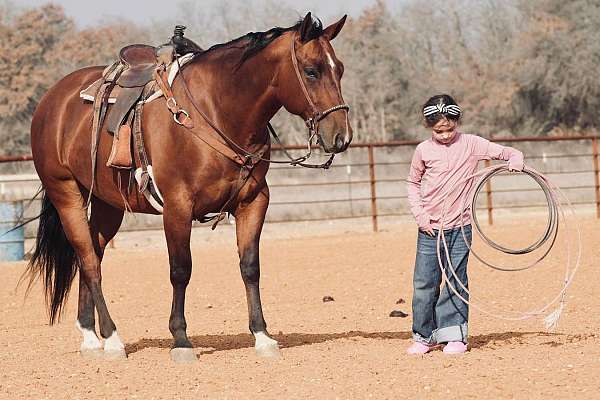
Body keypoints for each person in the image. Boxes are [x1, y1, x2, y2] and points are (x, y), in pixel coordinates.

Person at [405, 94, 524, 354]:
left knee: (456, 280)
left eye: (449, 129)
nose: (445, 135)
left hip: (460, 226)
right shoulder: (423, 150)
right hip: (430, 227)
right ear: (428, 127)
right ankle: (424, 335)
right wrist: (420, 214)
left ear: (457, 122)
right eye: (439, 131)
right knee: (424, 283)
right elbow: (413, 183)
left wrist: (515, 159)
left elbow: (507, 152)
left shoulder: (472, 144)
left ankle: (454, 335)